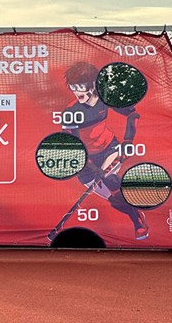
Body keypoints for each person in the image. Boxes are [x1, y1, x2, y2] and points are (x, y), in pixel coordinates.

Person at [60, 62, 147, 240]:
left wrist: (127, 141)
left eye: (80, 86)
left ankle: (138, 224)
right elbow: (74, 147)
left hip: (109, 149)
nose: (76, 91)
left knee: (111, 180)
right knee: (115, 200)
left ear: (93, 83)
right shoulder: (70, 111)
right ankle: (136, 212)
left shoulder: (105, 99)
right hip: (86, 161)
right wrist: (93, 168)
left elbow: (133, 114)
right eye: (73, 87)